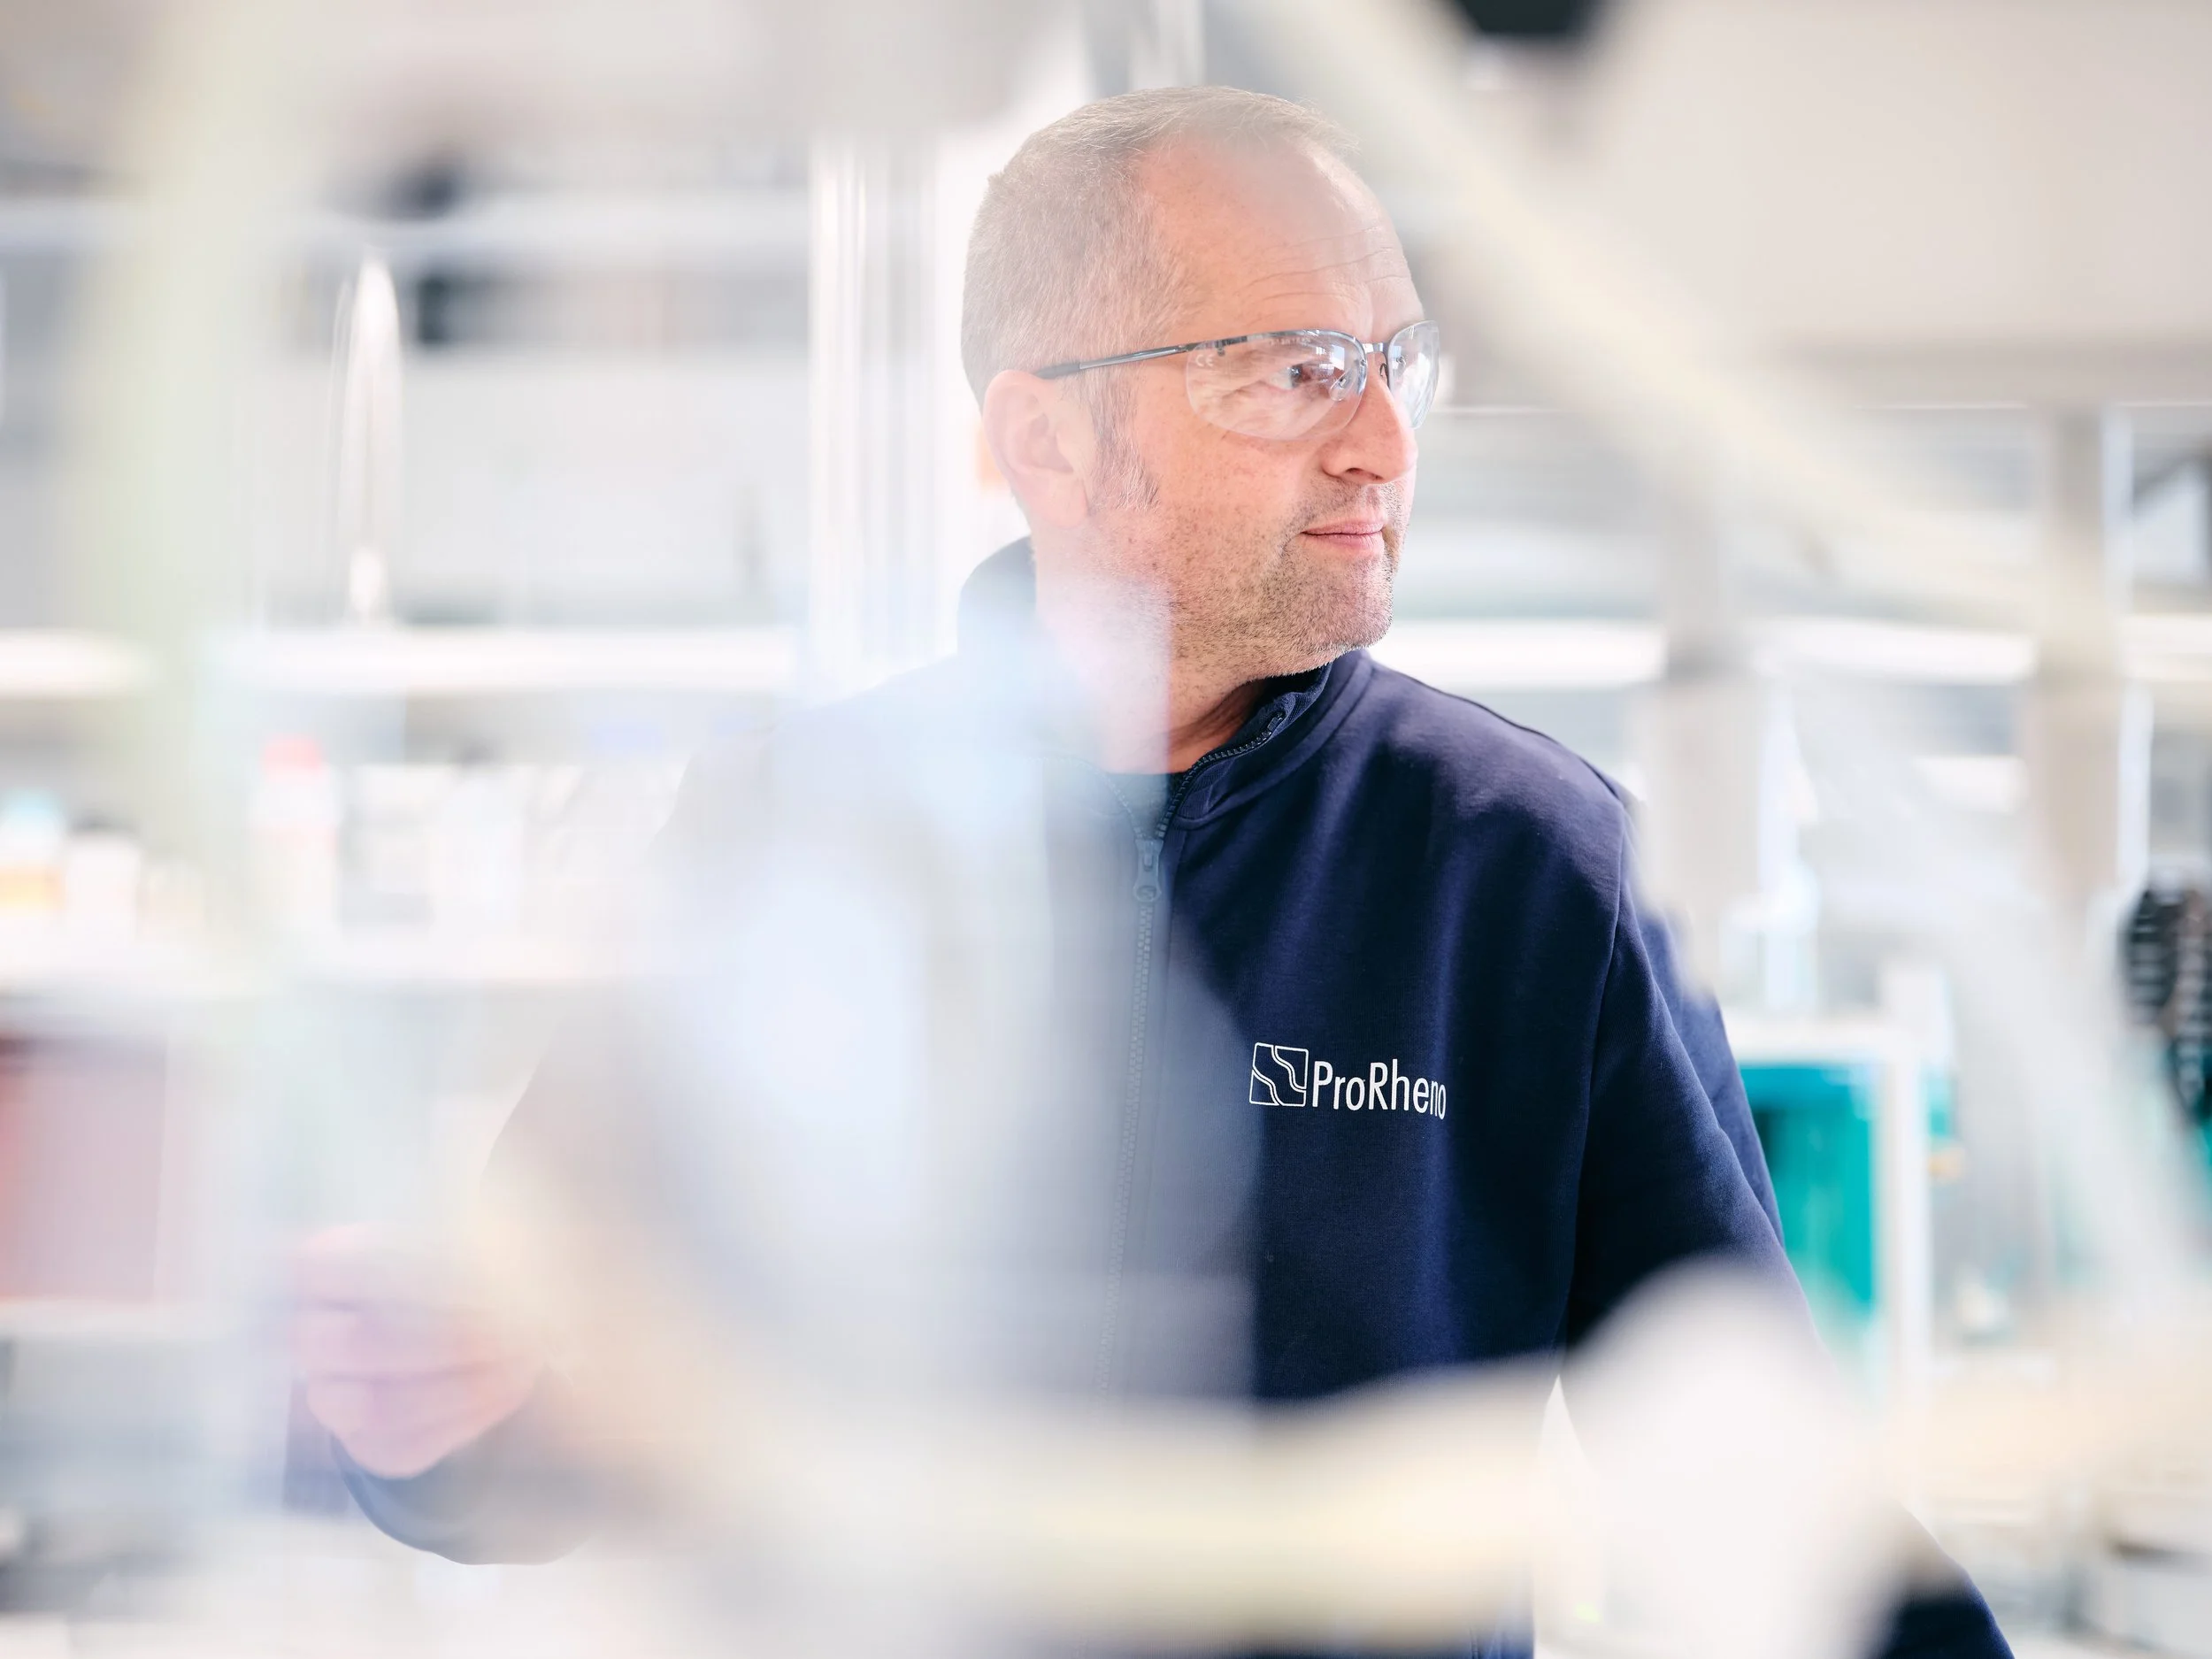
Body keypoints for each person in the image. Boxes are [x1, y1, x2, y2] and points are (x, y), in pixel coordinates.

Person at [296, 87, 2010, 1656]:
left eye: (1396, 362)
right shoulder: (775, 835)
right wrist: (426, 1425)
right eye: (1295, 370)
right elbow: (551, 1415)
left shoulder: (1524, 868)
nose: (1383, 442)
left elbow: (1770, 1496)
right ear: (1047, 442)